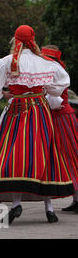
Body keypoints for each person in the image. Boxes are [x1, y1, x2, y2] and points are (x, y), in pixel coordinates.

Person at [0, 25, 74, 224]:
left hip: (17, 110)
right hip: (39, 110)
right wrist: (45, 88)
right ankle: (49, 208)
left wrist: (1, 94)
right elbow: (62, 83)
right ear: (33, 39)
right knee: (44, 153)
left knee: (16, 154)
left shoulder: (7, 62)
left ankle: (16, 203)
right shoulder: (44, 62)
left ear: (15, 40)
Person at [41, 45, 78, 214]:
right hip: (58, 117)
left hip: (62, 117)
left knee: (70, 156)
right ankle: (76, 198)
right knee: (65, 157)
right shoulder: (54, 70)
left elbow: (54, 100)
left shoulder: (54, 71)